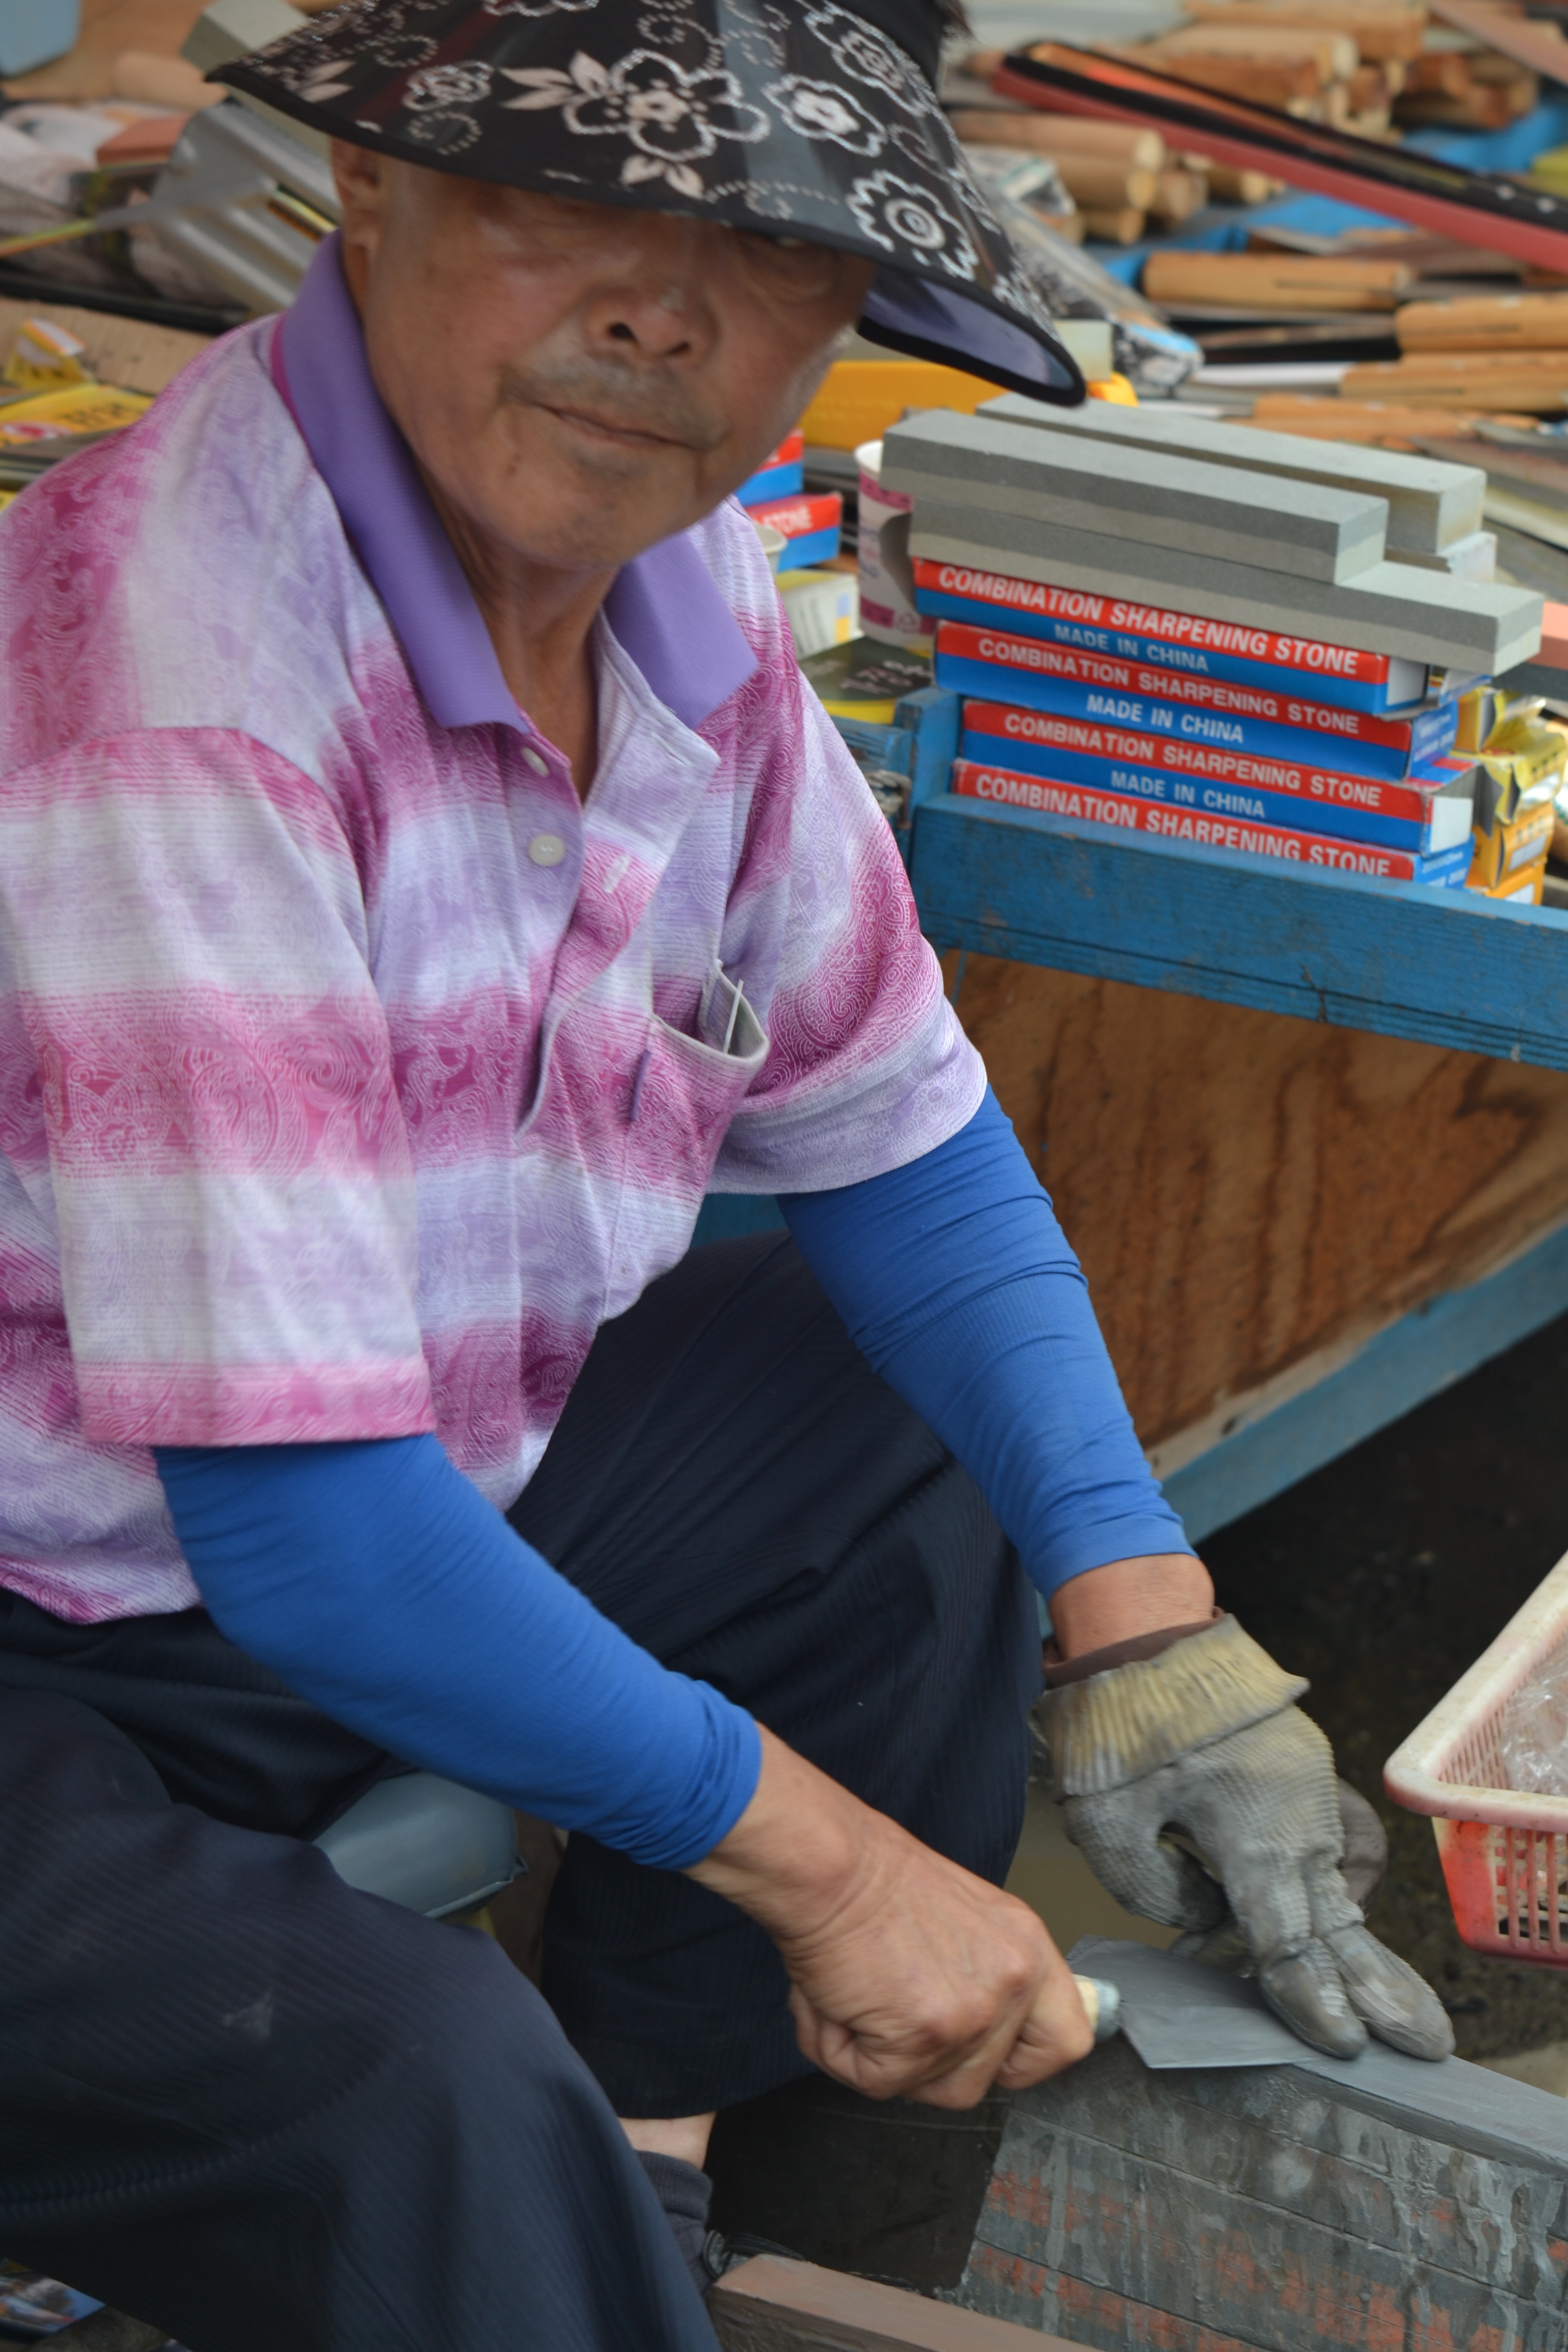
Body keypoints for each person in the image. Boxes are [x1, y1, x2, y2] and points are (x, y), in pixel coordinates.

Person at [0, 3, 1451, 2346]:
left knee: (892, 1443)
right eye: (566, 202)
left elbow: (907, 1151)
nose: (659, 314)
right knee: (423, 2101)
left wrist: (1158, 1635)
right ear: (369, 183)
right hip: (60, 1616)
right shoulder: (181, 685)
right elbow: (311, 1536)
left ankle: (680, 2198)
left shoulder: (683, 597)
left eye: (767, 245)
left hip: (372, 1508)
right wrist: (841, 1875)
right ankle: (562, 2224)